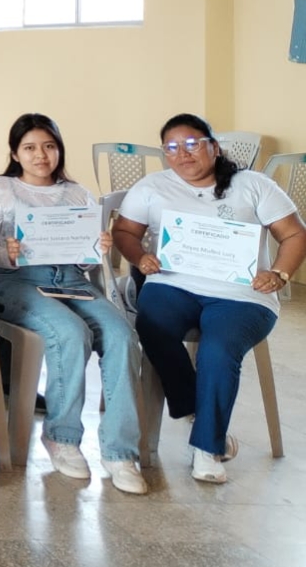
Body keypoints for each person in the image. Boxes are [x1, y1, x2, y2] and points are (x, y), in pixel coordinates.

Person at [112, 113, 305, 485]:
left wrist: (279, 274)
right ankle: (198, 412)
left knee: (218, 349)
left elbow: (295, 234)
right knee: (152, 324)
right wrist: (140, 256)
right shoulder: (152, 186)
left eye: (192, 144)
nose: (182, 153)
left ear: (214, 147)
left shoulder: (253, 185)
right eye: (171, 147)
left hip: (242, 296)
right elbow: (124, 231)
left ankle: (207, 448)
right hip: (173, 285)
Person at [0, 113, 145, 494]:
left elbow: (84, 262)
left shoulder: (78, 193)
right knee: (69, 332)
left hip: (71, 280)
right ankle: (62, 437)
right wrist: (7, 253)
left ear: (59, 150)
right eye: (30, 148)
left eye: (49, 146)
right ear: (15, 153)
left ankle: (120, 452)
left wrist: (95, 250)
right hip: (16, 281)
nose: (41, 156)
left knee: (121, 336)